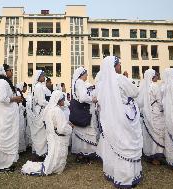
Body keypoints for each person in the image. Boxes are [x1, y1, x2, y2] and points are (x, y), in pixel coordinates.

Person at [97, 56, 143, 188]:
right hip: (124, 116)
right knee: (126, 142)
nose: (120, 66)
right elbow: (135, 92)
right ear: (114, 66)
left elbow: (99, 101)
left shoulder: (101, 83)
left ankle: (112, 172)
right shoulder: (120, 79)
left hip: (110, 118)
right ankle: (126, 176)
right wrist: (128, 79)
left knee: (113, 143)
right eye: (118, 64)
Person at [21, 90, 72, 176]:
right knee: (56, 155)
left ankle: (55, 166)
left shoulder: (48, 109)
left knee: (53, 154)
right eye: (63, 99)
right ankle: (56, 167)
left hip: (51, 137)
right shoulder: (57, 111)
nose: (64, 101)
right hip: (58, 138)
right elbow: (62, 129)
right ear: (59, 100)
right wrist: (70, 127)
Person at [0, 64, 22, 172]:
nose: (12, 72)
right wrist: (15, 98)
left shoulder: (3, 82)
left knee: (7, 138)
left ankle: (6, 163)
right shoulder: (2, 82)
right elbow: (3, 98)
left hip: (7, 116)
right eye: (10, 70)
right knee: (3, 139)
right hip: (4, 117)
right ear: (4, 71)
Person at [137, 69, 165, 165]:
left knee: (148, 134)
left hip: (146, 113)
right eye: (157, 76)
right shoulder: (154, 86)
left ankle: (149, 154)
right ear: (153, 77)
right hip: (156, 112)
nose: (158, 77)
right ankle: (156, 158)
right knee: (157, 133)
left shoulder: (143, 86)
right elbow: (160, 101)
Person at [70, 67, 98, 163]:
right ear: (82, 74)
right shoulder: (80, 83)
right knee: (87, 132)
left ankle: (81, 154)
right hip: (84, 111)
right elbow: (82, 97)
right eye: (86, 74)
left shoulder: (76, 83)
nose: (87, 75)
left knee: (80, 132)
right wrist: (92, 99)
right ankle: (85, 154)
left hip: (78, 111)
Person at [28, 70, 48, 160]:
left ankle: (39, 151)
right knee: (41, 133)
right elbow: (41, 101)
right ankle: (40, 152)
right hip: (40, 111)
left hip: (38, 110)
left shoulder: (37, 86)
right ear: (39, 77)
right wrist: (51, 103)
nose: (44, 77)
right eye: (43, 76)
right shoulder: (39, 86)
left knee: (39, 132)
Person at [16, 82, 28, 153]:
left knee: (22, 129)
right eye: (25, 87)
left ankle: (21, 147)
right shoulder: (18, 93)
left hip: (21, 114)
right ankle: (19, 148)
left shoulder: (20, 93)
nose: (26, 89)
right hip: (19, 114)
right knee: (19, 129)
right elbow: (18, 104)